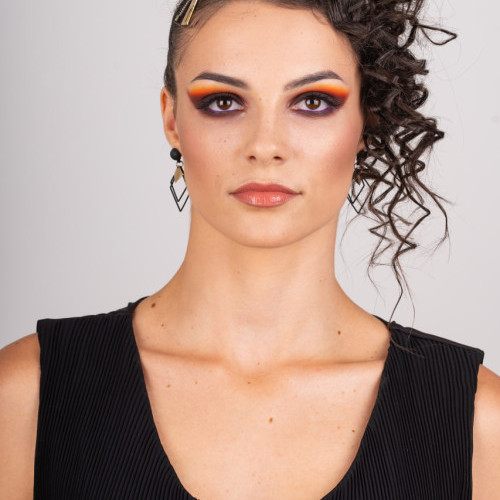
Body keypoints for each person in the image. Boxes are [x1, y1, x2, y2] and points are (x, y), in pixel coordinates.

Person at [1, 0, 499, 498]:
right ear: (172, 119)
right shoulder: (25, 397)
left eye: (312, 102)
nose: (265, 145)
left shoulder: (479, 422)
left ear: (366, 121)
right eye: (223, 102)